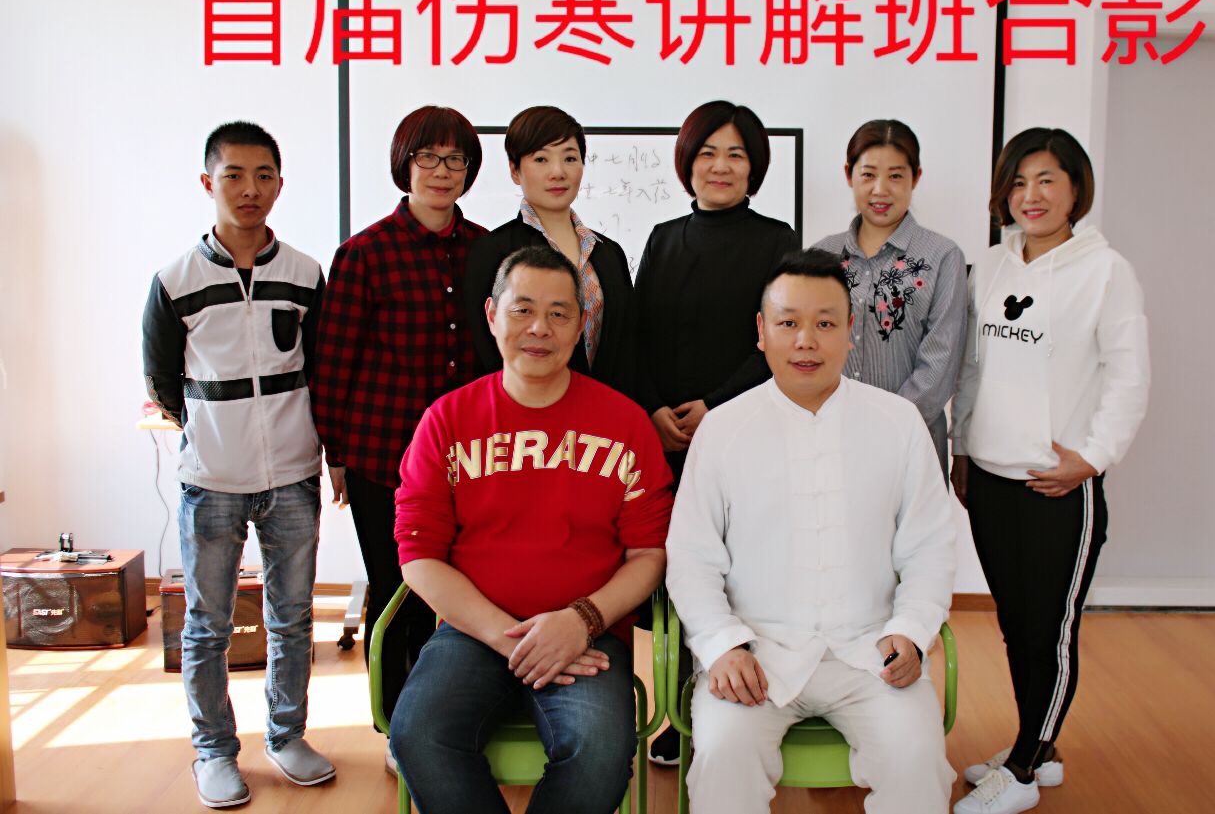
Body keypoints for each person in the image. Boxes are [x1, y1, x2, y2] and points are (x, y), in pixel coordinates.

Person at [666, 248, 957, 813]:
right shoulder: (723, 429)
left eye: (825, 324)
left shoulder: (898, 422)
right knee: (723, 757)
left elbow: (929, 546)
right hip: (756, 656)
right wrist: (722, 646)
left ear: (851, 331)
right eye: (788, 324)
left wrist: (912, 630)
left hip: (871, 652)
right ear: (761, 331)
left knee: (919, 761)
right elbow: (692, 557)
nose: (806, 342)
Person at [392, 246, 673, 814]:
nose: (539, 328)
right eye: (522, 310)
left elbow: (649, 553)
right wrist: (506, 637)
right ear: (492, 315)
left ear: (582, 323)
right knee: (418, 735)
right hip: (474, 632)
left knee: (599, 750)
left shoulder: (625, 422)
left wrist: (582, 620)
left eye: (559, 313)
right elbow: (418, 556)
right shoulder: (446, 420)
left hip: (587, 635)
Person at [950, 128, 1150, 814]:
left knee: (1051, 631)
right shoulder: (989, 267)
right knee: (1016, 623)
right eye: (1017, 182)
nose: (1030, 196)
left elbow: (1128, 376)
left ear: (1074, 188)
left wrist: (1092, 459)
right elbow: (972, 370)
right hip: (990, 480)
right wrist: (963, 448)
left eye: (1045, 180)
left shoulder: (1106, 271)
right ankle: (1039, 746)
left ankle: (1024, 768)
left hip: (1059, 485)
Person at [142, 121, 334, 808]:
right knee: (207, 625)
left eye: (263, 176)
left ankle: (287, 735)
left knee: (292, 618)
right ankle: (214, 751)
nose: (249, 189)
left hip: (293, 472)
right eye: (234, 176)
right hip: (212, 480)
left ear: (280, 184)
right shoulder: (175, 281)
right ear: (208, 183)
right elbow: (162, 379)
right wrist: (205, 427)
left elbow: (323, 367)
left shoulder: (305, 274)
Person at [310, 106, 489, 739]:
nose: (442, 171)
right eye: (428, 158)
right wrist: (335, 453)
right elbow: (333, 360)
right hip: (382, 453)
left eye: (456, 159)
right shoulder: (364, 254)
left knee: (463, 595)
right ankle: (393, 724)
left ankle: (451, 718)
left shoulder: (486, 249)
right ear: (404, 165)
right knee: (395, 594)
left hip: (470, 460)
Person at [634, 99, 799, 763]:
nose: (721, 166)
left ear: (754, 166)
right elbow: (637, 333)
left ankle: (735, 704)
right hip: (667, 438)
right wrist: (654, 409)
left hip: (744, 431)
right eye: (707, 153)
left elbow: (779, 337)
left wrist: (715, 406)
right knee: (679, 573)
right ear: (688, 163)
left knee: (738, 574)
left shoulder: (777, 239)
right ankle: (678, 714)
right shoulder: (663, 238)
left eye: (735, 154)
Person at [813, 119, 967, 476]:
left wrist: (883, 429)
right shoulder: (822, 255)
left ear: (916, 177)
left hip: (912, 444)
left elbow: (940, 363)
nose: (880, 189)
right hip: (829, 440)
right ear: (849, 175)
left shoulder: (942, 256)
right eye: (868, 175)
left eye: (896, 176)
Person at [464, 105, 637, 397]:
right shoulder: (492, 250)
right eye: (541, 159)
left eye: (570, 158)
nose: (558, 172)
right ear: (515, 170)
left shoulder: (609, 253)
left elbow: (628, 344)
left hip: (605, 414)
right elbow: (486, 351)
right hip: (529, 413)